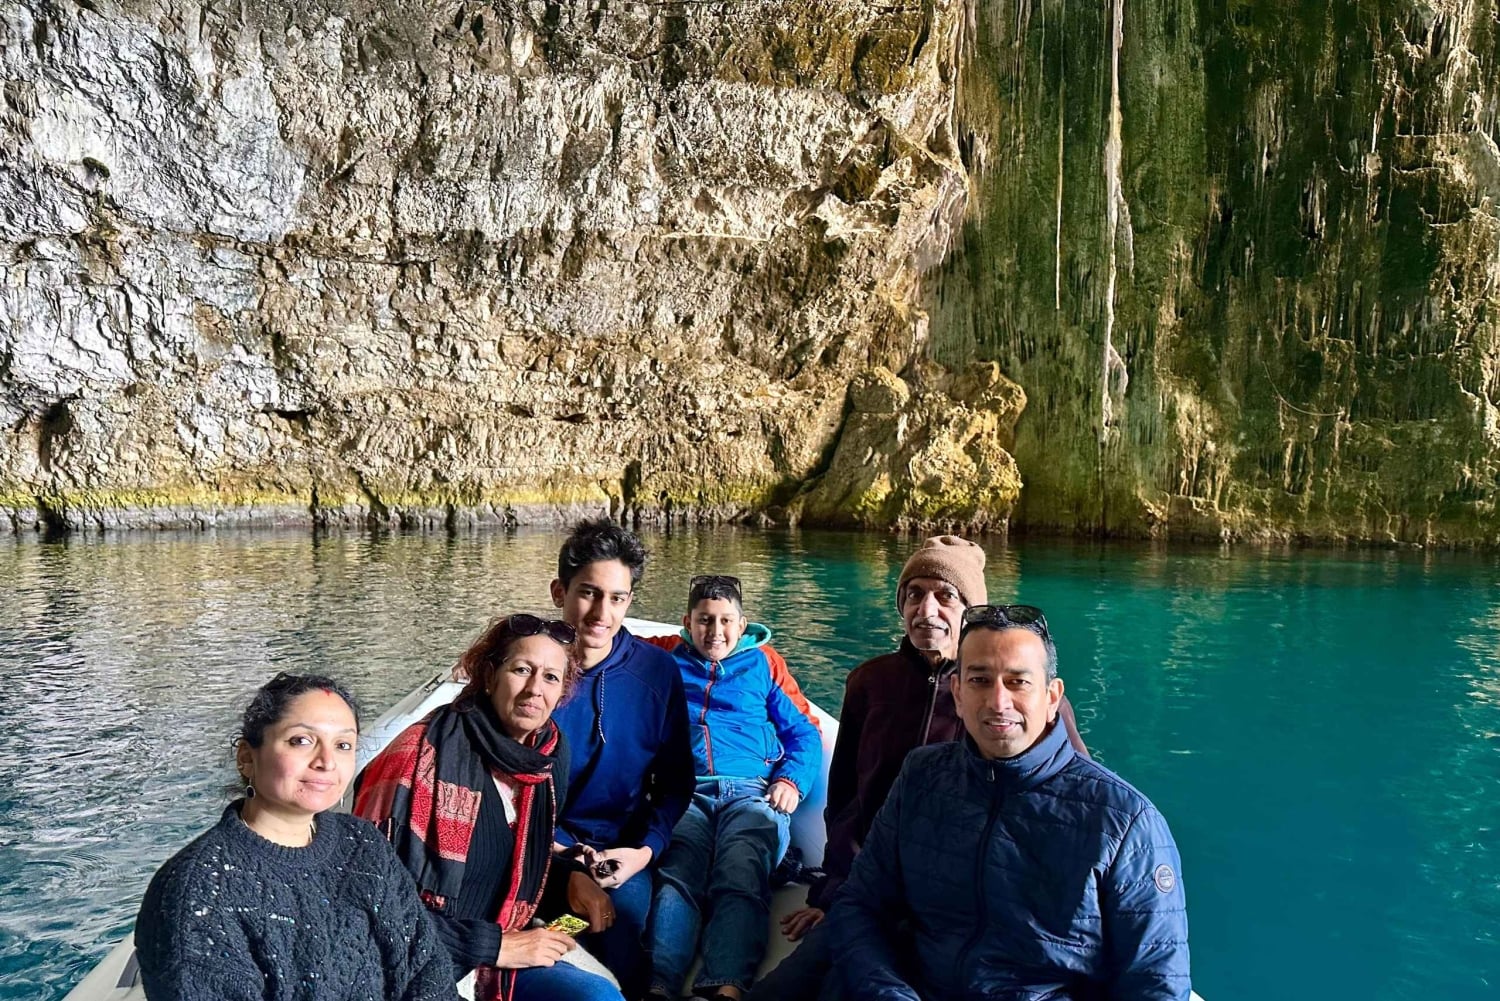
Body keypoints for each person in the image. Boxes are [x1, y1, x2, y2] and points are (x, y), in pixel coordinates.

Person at [752, 535, 1089, 1001]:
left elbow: (1073, 806)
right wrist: (834, 892)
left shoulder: (1012, 705)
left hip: (963, 911)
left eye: (945, 596)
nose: (926, 610)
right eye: (914, 594)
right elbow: (847, 801)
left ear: (971, 612)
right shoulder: (870, 683)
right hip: (873, 894)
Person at [830, 604, 1191, 1000]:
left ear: (1052, 697)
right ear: (958, 694)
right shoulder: (921, 777)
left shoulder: (1124, 823)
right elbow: (861, 903)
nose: (998, 702)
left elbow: (1155, 985)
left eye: (1018, 682)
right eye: (980, 680)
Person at [133, 672, 457, 1001]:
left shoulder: (362, 843)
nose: (327, 762)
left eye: (343, 745)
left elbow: (427, 964)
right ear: (246, 757)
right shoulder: (198, 890)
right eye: (301, 741)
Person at [353, 614, 624, 1001]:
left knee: (608, 982)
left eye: (550, 677)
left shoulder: (547, 755)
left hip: (510, 935)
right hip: (425, 962)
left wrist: (568, 879)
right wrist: (495, 946)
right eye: (522, 670)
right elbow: (369, 905)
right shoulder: (416, 760)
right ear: (489, 675)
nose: (534, 689)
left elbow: (506, 861)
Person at [642, 574, 823, 1001]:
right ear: (687, 622)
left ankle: (727, 984)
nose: (715, 631)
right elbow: (603, 645)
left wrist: (791, 780)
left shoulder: (765, 662)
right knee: (677, 874)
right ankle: (660, 983)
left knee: (741, 868)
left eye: (726, 621)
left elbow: (804, 731)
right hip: (685, 791)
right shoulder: (665, 657)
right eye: (705, 620)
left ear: (742, 624)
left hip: (752, 790)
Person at [547, 518, 695, 997]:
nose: (601, 614)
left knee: (618, 940)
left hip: (620, 856)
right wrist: (562, 857)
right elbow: (501, 786)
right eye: (589, 594)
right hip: (539, 849)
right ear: (559, 592)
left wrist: (644, 851)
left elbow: (676, 783)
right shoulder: (533, 672)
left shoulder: (657, 671)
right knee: (552, 940)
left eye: (617, 598)